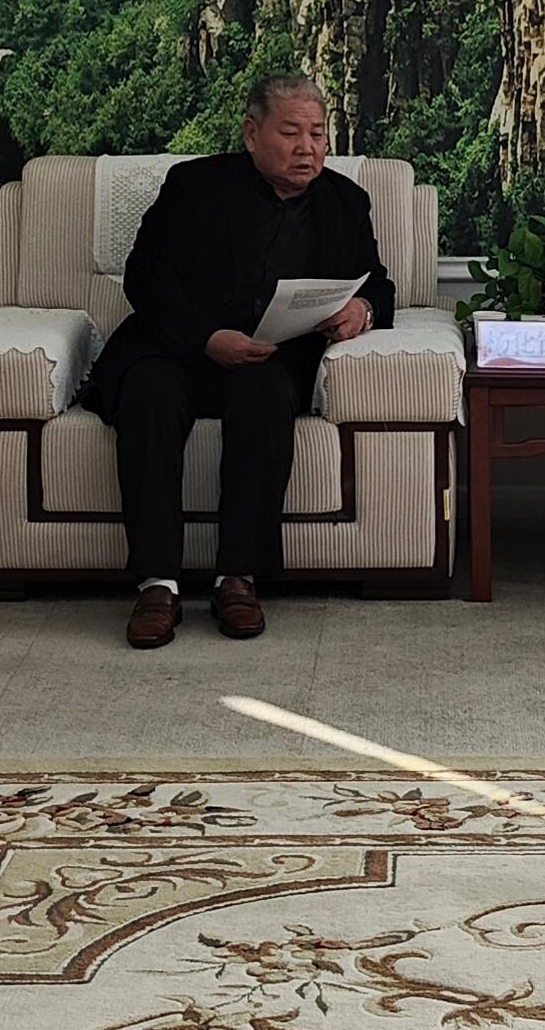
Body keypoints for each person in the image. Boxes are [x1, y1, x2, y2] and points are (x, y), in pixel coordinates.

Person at [89, 76, 396, 648]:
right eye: (291, 133)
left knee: (267, 395)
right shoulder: (195, 185)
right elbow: (146, 277)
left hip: (271, 356)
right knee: (148, 392)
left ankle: (238, 579)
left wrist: (364, 310)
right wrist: (207, 337)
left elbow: (376, 281)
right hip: (180, 346)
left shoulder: (345, 202)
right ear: (252, 134)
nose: (307, 148)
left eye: (318, 134)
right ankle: (157, 585)